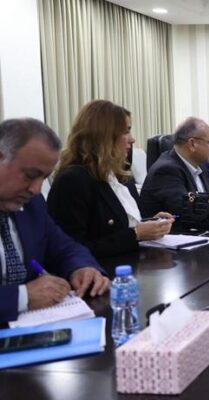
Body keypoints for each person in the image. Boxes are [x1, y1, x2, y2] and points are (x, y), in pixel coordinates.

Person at [0, 118, 109, 323]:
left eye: (44, 178)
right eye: (30, 175)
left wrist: (82, 268)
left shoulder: (32, 205)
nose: (36, 189)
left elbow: (65, 248)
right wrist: (22, 297)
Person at [47, 100, 173, 258]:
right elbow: (71, 250)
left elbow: (117, 225)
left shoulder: (121, 177)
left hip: (135, 264)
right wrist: (136, 234)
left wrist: (151, 224)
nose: (132, 139)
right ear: (104, 137)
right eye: (126, 132)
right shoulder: (73, 181)